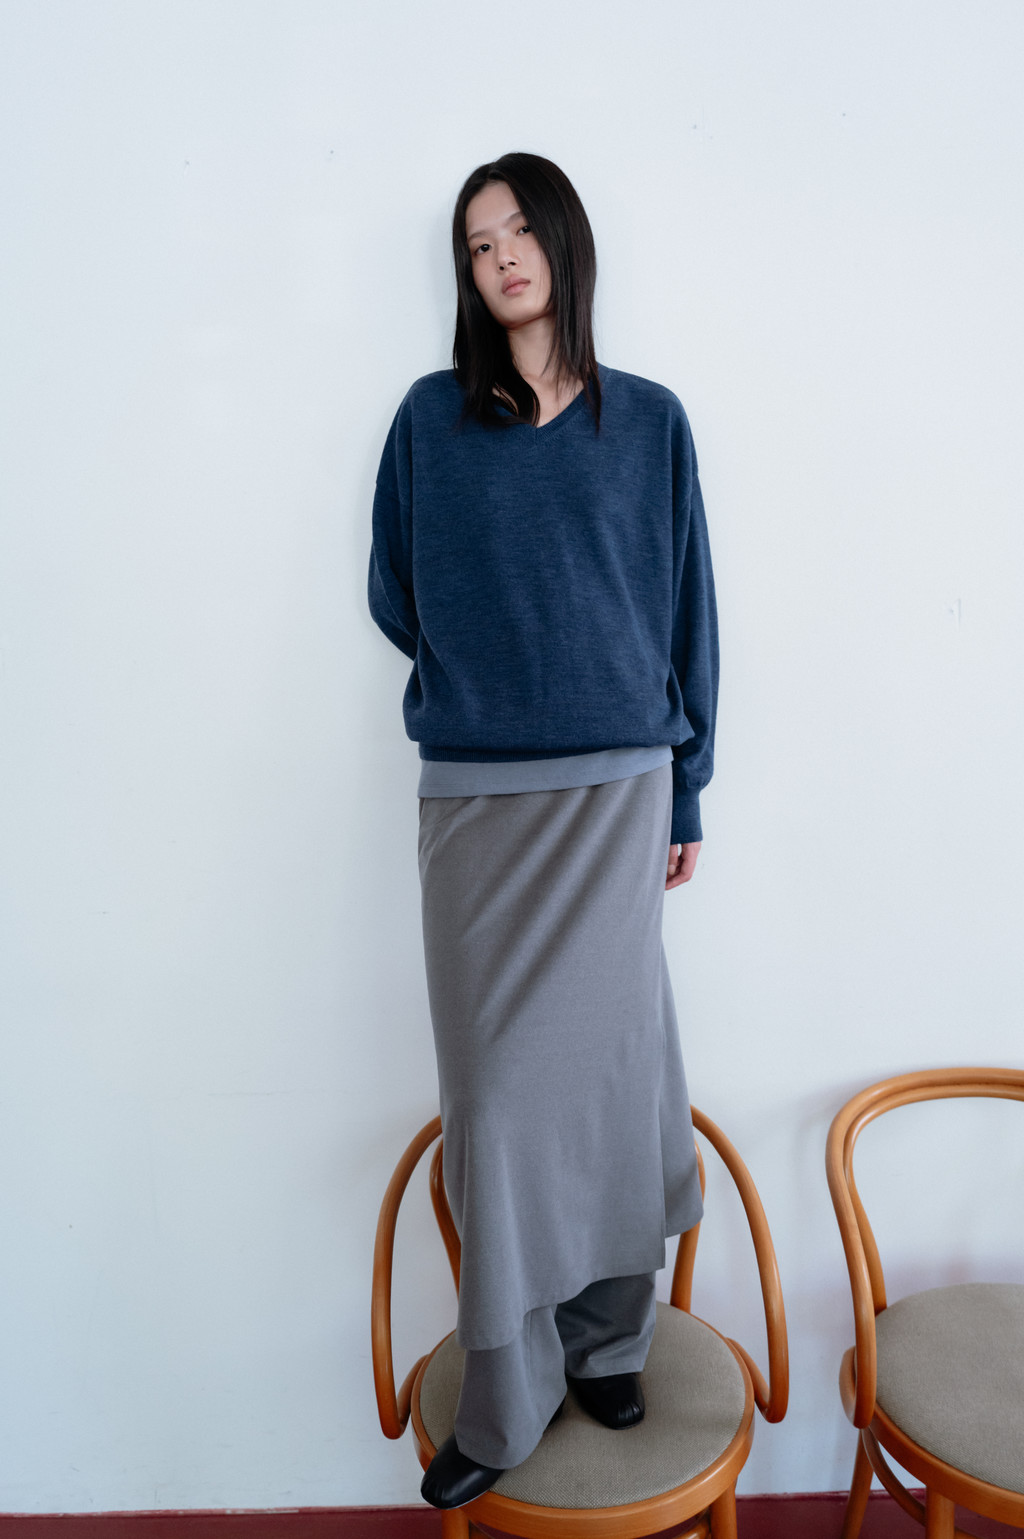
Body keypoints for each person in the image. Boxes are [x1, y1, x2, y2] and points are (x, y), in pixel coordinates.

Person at [368, 151, 719, 1511]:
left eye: (521, 229)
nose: (503, 255)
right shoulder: (429, 420)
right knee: (498, 1115)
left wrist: (685, 789)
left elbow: (687, 614)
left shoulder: (651, 423)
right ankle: (506, 1400)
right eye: (478, 242)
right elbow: (396, 590)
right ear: (466, 275)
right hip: (476, 806)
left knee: (622, 1084)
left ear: (565, 245)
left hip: (621, 793)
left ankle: (609, 1344)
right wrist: (494, 679)